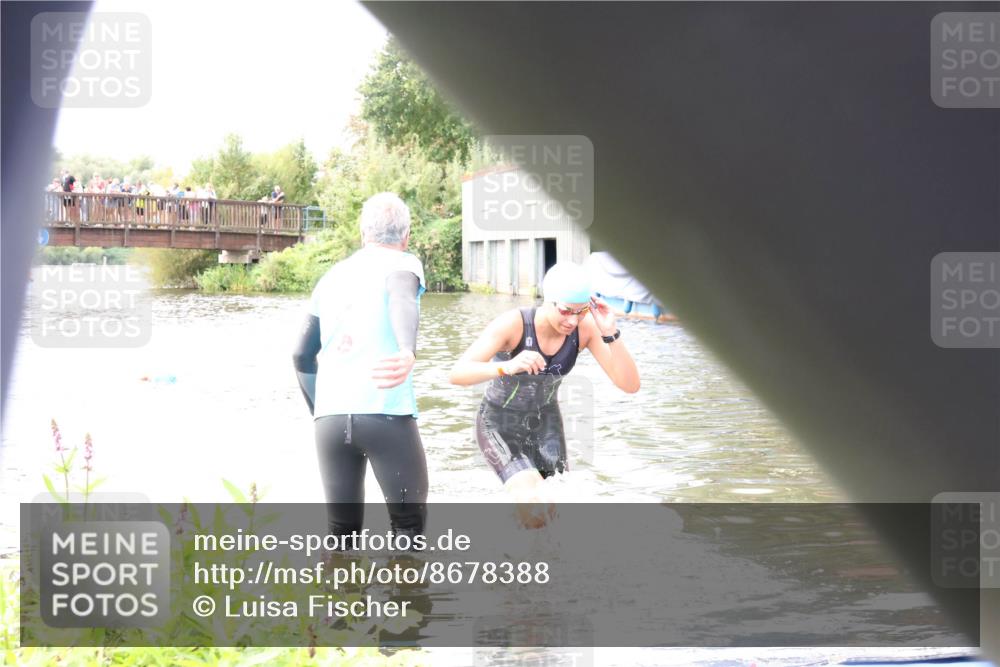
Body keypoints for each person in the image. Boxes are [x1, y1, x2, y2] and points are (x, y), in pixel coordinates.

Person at [449, 261, 640, 527]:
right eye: (565, 311)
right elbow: (457, 373)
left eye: (581, 311)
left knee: (556, 509)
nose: (572, 320)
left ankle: (548, 561)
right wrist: (506, 366)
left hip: (546, 424)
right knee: (534, 501)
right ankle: (517, 562)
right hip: (499, 423)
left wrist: (610, 332)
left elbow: (629, 385)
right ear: (547, 300)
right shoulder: (513, 325)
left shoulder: (584, 331)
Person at [292, 192, 428, 541]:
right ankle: (407, 595)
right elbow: (400, 295)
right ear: (406, 236)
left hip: (330, 421)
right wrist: (406, 349)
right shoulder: (404, 263)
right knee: (408, 529)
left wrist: (321, 411)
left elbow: (301, 355)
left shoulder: (332, 276)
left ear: (362, 232)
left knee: (341, 534)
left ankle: (341, 595)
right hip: (385, 415)